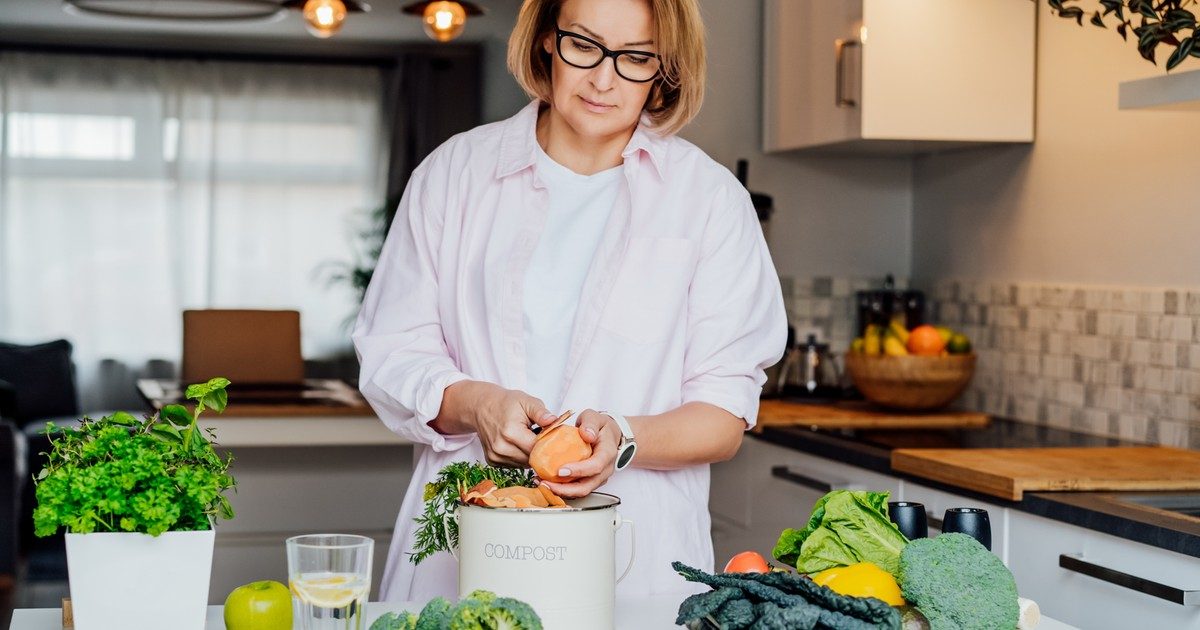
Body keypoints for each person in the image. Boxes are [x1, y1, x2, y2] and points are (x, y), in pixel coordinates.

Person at [353, 0, 787, 602]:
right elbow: (392, 352)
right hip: (460, 544)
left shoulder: (710, 202)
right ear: (545, 42)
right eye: (584, 45)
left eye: (635, 57)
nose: (603, 78)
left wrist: (625, 437)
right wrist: (478, 403)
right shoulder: (455, 173)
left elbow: (722, 412)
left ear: (666, 70)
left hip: (636, 561)